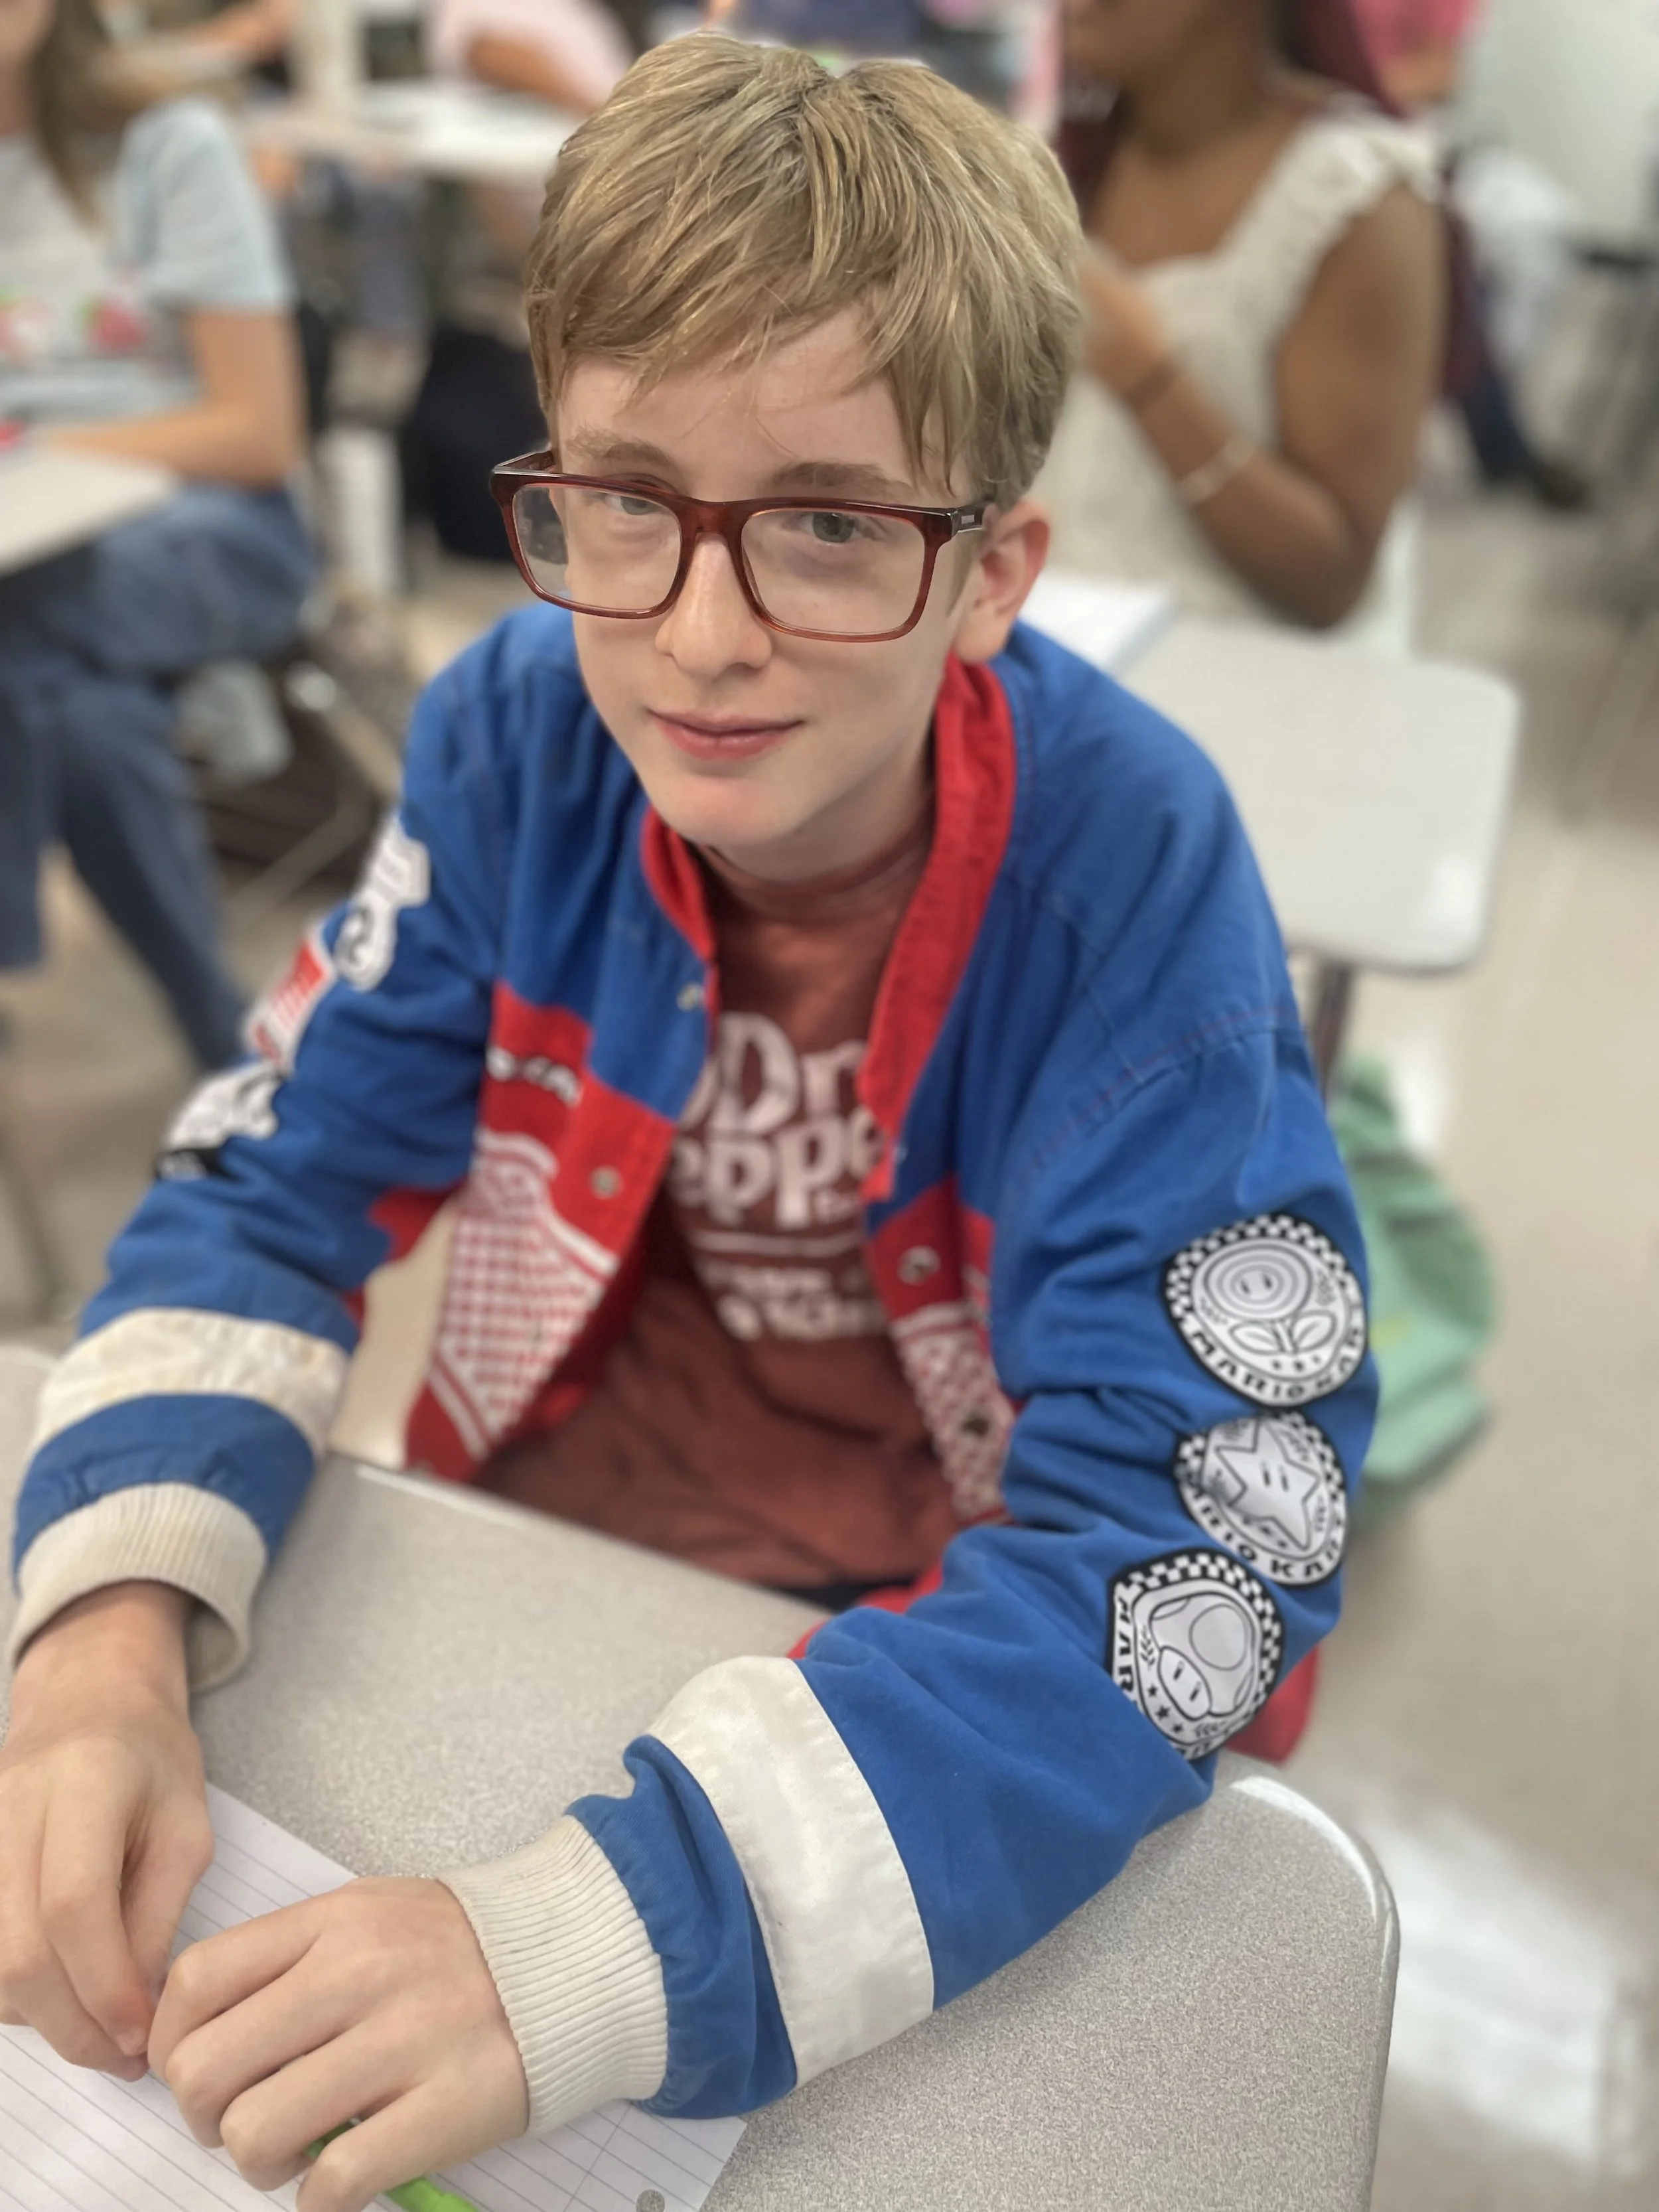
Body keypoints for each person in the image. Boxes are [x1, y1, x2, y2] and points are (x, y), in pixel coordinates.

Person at [0, 37, 1376, 2209]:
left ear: (994, 571)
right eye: (624, 499)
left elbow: (1198, 1535)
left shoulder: (1135, 870)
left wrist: (606, 1945)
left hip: (931, 1637)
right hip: (541, 1557)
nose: (704, 635)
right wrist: (97, 1638)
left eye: (829, 525)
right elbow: (270, 1186)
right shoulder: (514, 732)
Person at [0, 0, 313, 1070]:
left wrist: (43, 451)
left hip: (213, 529)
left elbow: (257, 431)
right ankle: (214, 1025)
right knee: (85, 719)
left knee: (20, 622)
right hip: (27, 555)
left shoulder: (164, 142)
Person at [1038, 0, 1445, 642]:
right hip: (1051, 647)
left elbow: (1330, 579)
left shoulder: (1355, 197)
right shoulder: (1071, 163)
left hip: (1245, 679)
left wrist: (1149, 381)